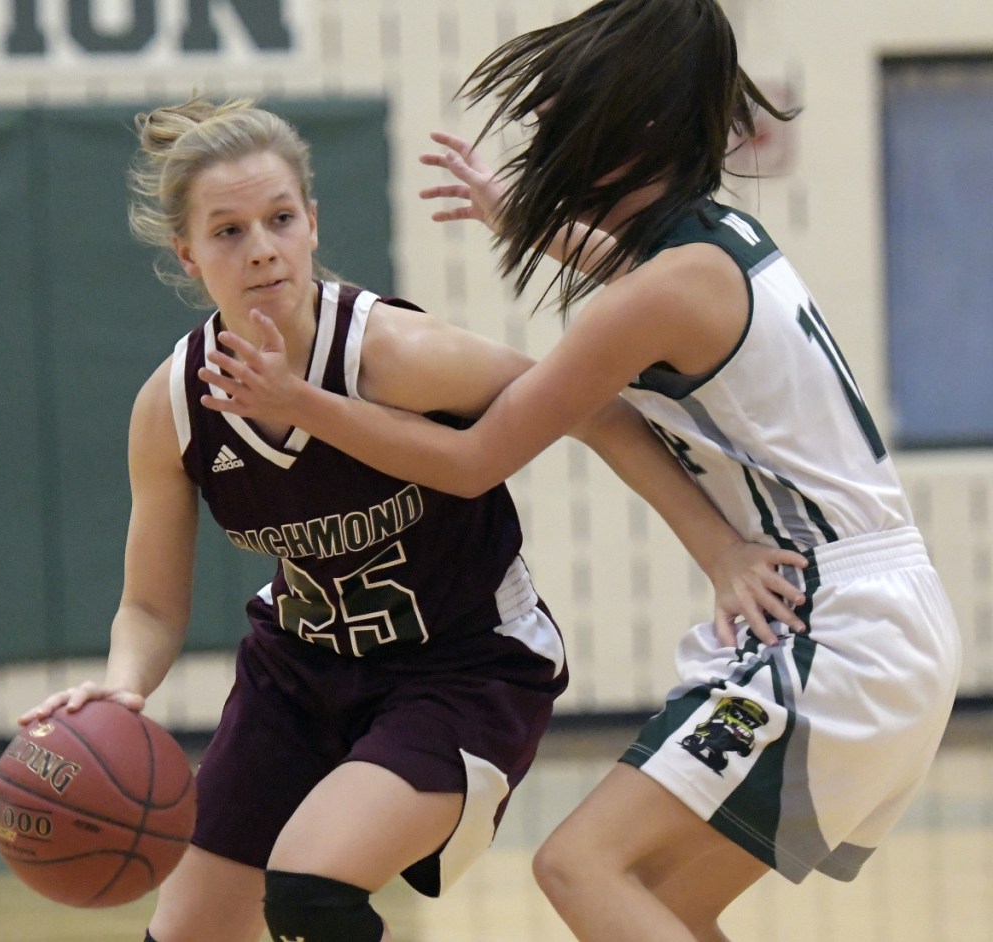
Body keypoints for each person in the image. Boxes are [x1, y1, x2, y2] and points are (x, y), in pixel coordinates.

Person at [196, 1, 963, 940]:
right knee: (662, 903)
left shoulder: (661, 292)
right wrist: (518, 220)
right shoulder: (721, 248)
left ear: (625, 132)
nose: (546, 140)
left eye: (562, 118)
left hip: (842, 626)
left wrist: (302, 405)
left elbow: (475, 460)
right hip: (873, 610)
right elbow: (638, 278)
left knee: (580, 865)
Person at [19, 94, 807, 942]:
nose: (262, 250)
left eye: (280, 218)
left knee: (311, 887)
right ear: (188, 253)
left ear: (313, 224)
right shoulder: (172, 405)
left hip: (462, 669)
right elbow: (150, 606)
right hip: (299, 673)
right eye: (228, 231)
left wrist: (720, 549)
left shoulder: (393, 354)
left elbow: (594, 406)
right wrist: (127, 687)